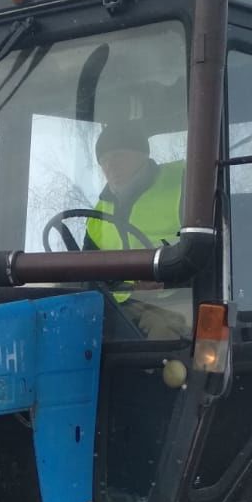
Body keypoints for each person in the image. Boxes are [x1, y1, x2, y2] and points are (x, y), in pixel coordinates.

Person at [85, 121, 189, 339]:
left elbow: (208, 251)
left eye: (118, 156)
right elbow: (88, 276)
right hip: (121, 306)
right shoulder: (97, 216)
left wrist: (168, 279)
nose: (110, 167)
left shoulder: (183, 185)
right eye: (104, 161)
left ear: (141, 155)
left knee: (160, 335)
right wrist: (129, 289)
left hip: (180, 298)